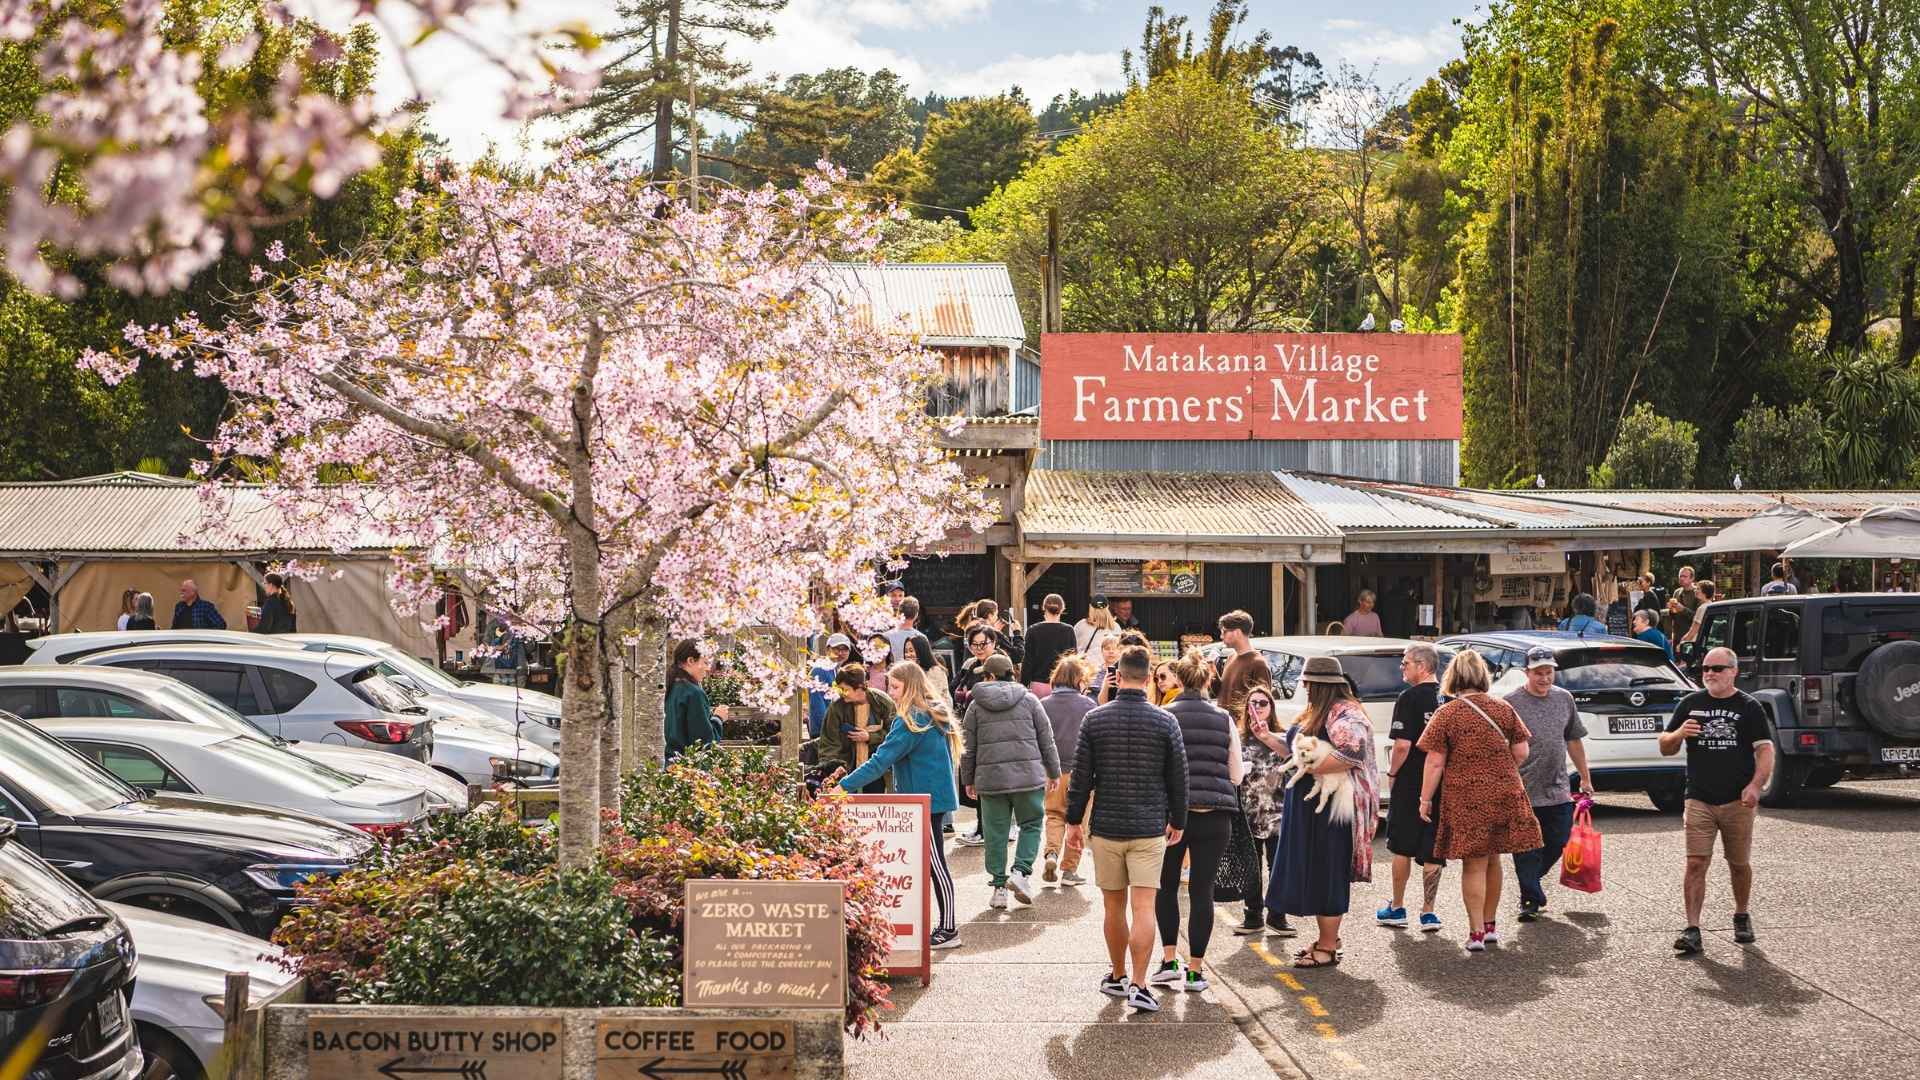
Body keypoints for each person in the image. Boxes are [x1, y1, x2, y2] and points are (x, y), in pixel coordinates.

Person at [1063, 644, 1187, 1013]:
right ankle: (1140, 982)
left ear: (1117, 677)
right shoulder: (1165, 721)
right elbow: (1178, 779)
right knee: (1144, 905)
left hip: (1106, 827)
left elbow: (1081, 777)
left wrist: (1072, 821)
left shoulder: (1095, 719)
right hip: (1149, 827)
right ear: (1149, 678)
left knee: (1113, 907)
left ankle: (1116, 976)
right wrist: (1178, 820)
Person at [1416, 650, 1542, 954]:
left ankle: (1474, 933)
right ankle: (1490, 926)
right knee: (1495, 858)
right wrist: (1499, 767)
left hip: (1466, 795)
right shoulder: (1503, 708)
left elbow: (1434, 762)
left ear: (1453, 677)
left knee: (1473, 864)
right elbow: (1522, 751)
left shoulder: (1447, 713)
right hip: (1504, 792)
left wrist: (1424, 799)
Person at [834, 661, 964, 949]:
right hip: (934, 797)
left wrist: (842, 786)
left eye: (895, 686)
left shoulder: (910, 721)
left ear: (910, 686)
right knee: (934, 863)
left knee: (935, 864)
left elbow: (880, 761)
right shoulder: (932, 713)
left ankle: (950, 927)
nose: (889, 691)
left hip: (924, 800)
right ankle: (945, 924)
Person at [1659, 646, 1774, 955]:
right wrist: (1680, 733)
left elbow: (1765, 750)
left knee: (1738, 864)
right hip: (1699, 797)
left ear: (1733, 671)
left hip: (1738, 800)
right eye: (1706, 668)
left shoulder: (1749, 707)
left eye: (1717, 668)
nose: (1709, 673)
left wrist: (1755, 786)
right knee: (1696, 862)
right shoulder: (1690, 704)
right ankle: (1693, 928)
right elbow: (1665, 747)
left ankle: (1741, 914)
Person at [1268, 656, 1377, 969]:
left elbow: (1351, 754)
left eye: (1306, 683)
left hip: (1333, 810)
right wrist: (1268, 737)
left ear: (1319, 685)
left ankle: (1328, 946)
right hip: (1312, 807)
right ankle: (1326, 939)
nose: (1303, 687)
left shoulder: (1348, 713)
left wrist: (1307, 765)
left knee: (1328, 871)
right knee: (1315, 870)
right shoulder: (1321, 711)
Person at [1147, 650, 1244, 993]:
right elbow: (1236, 773)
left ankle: (1169, 959)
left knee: (1167, 885)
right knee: (1203, 890)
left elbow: (1154, 769)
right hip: (1215, 815)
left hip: (1172, 817)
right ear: (1207, 680)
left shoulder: (1163, 715)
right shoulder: (1223, 719)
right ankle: (1196, 970)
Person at [959, 653, 1060, 909]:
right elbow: (1046, 739)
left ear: (990, 676)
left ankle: (999, 888)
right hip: (1028, 777)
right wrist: (1053, 770)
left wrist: (968, 779)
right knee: (1031, 824)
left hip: (991, 780)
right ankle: (1021, 872)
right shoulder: (1030, 700)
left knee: (995, 833)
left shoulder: (975, 705)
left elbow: (968, 747)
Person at [1504, 646, 1595, 921]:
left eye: (1549, 672)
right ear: (1526, 673)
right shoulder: (1511, 702)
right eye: (1538, 673)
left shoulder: (1564, 699)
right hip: (1522, 788)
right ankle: (1530, 899)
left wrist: (1586, 777)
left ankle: (1530, 882)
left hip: (1557, 787)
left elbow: (1573, 739)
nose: (1545, 678)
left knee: (1558, 839)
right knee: (1526, 847)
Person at [1377, 644, 1446, 933]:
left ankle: (1397, 906)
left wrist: (1392, 773)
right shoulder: (1447, 697)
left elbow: (1403, 744)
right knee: (1432, 848)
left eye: (1405, 664)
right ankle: (1428, 912)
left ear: (1422, 665)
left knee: (1401, 846)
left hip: (1410, 782)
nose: (1401, 668)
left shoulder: (1409, 698)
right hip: (1440, 781)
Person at [1234, 684, 1295, 938]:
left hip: (1278, 812)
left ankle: (1277, 916)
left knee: (1278, 866)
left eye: (1263, 703)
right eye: (1253, 703)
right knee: (1251, 867)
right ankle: (1253, 915)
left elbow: (1295, 762)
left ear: (1271, 708)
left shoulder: (1282, 736)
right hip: (1248, 812)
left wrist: (1267, 736)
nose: (1257, 708)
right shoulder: (1238, 739)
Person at [1040, 655, 1097, 887]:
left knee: (1054, 815)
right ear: (1078, 679)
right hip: (1081, 773)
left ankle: (1051, 853)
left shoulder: (1043, 704)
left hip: (1051, 772)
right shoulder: (1088, 706)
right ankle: (1069, 870)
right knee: (1079, 821)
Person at [820, 664, 896, 793]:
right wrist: (834, 769)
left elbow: (894, 735)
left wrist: (870, 737)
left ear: (860, 687)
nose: (842, 693)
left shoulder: (882, 702)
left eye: (845, 689)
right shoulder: (836, 707)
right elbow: (829, 742)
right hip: (846, 767)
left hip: (876, 766)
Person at [664, 639, 728, 761]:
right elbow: (704, 743)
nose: (708, 668)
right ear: (690, 661)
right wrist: (718, 718)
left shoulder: (669, 685)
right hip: (684, 768)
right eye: (705, 662)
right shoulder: (693, 693)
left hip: (666, 763)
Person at [1214, 610, 1270, 721]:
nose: (1221, 636)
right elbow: (1221, 693)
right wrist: (1212, 669)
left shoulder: (1258, 663)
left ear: (1237, 633)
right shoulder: (1231, 657)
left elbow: (1263, 704)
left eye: (1224, 632)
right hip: (1224, 727)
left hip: (1242, 732)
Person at [1022, 593, 1078, 698]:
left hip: (1038, 685)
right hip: (1063, 685)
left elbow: (1028, 661)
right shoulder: (1068, 630)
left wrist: (1023, 684)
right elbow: (1073, 660)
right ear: (1062, 609)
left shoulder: (1032, 630)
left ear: (1044, 608)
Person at [808, 634, 853, 739]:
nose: (841, 653)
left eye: (845, 649)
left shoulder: (837, 670)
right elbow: (817, 706)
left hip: (834, 729)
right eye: (837, 649)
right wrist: (828, 729)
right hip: (824, 732)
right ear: (828, 649)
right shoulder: (820, 670)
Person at [883, 597, 937, 670]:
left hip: (892, 676)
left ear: (898, 612)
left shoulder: (885, 636)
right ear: (916, 615)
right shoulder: (921, 638)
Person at [953, 626, 998, 711]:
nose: (979, 648)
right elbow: (954, 687)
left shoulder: (1000, 664)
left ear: (993, 643)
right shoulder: (970, 664)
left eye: (983, 644)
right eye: (974, 644)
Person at [1665, 565, 1700, 640]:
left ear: (1692, 578)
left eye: (1684, 576)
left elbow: (1699, 617)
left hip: (1691, 636)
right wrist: (1671, 610)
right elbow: (1673, 617)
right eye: (1680, 576)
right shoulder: (1677, 592)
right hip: (1677, 635)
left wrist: (1683, 609)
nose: (1681, 578)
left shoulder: (1697, 593)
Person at [1680, 580, 1717, 644]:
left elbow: (1693, 631)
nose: (1695, 590)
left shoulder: (1702, 608)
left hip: (1695, 643)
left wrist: (1682, 642)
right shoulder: (1711, 605)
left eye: (1698, 589)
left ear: (1704, 592)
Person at [1090, 633, 1124, 703]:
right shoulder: (1094, 671)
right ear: (1101, 651)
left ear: (1120, 651)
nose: (1111, 651)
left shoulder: (1124, 673)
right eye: (1107, 648)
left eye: (1114, 649)